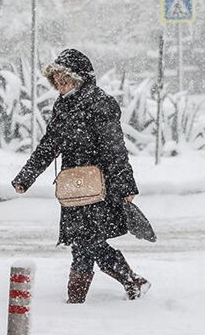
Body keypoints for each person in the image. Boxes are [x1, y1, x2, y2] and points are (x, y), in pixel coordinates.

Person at [11, 49, 150, 304]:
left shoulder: (100, 103)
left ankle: (78, 300)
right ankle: (130, 282)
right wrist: (25, 177)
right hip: (74, 187)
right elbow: (49, 144)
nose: (60, 86)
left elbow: (115, 149)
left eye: (65, 80)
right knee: (85, 242)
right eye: (57, 81)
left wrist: (126, 185)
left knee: (87, 242)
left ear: (80, 78)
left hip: (100, 186)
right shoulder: (63, 106)